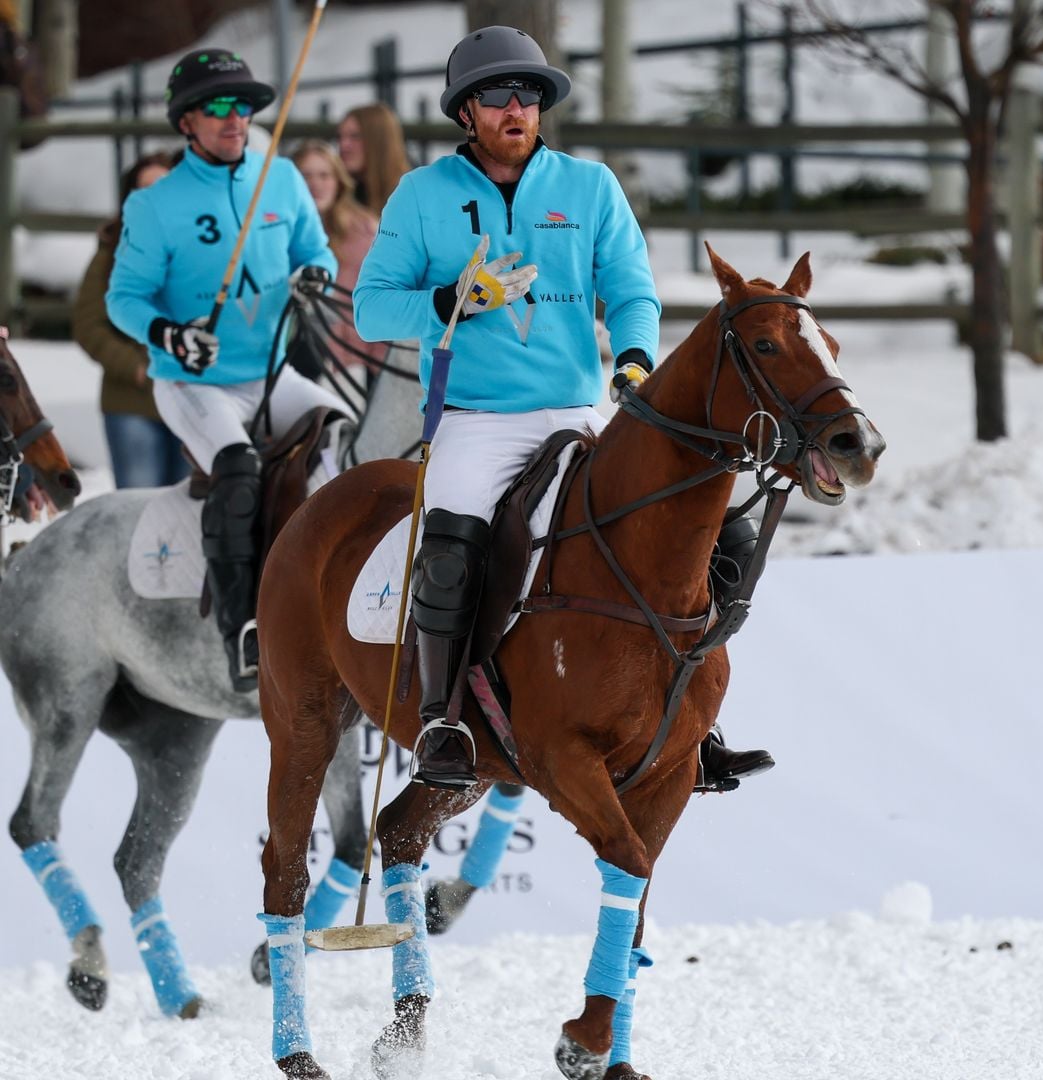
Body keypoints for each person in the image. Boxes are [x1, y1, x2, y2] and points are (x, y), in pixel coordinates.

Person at [355, 25, 773, 790]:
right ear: (465, 112)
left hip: (576, 408)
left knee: (722, 530)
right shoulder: (423, 196)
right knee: (450, 548)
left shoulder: (590, 187)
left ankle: (692, 717)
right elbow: (371, 309)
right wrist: (451, 301)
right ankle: (444, 721)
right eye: (496, 97)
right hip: (478, 418)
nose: (516, 108)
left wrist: (638, 359)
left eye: (529, 95)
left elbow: (631, 288)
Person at [106, 47, 348, 693]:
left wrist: (315, 274)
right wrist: (171, 336)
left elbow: (312, 247)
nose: (234, 118)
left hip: (270, 371)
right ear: (186, 122)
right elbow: (123, 298)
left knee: (345, 433)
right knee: (237, 465)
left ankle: (334, 594)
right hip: (192, 382)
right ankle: (243, 627)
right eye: (216, 107)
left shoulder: (282, 178)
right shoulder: (156, 206)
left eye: (242, 105)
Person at [73, 150, 189, 489]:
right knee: (137, 507)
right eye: (144, 189)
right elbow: (88, 325)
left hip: (193, 398)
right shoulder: (111, 252)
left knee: (191, 511)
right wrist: (136, 367)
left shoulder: (203, 251)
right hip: (131, 401)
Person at [290, 139, 385, 400]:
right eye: (306, 175)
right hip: (288, 353)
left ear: (338, 181)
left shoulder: (365, 231)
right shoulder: (277, 231)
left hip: (348, 360)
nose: (315, 184)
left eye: (324, 175)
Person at [336, 102, 410, 214]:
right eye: (340, 137)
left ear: (379, 142)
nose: (343, 145)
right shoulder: (336, 195)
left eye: (355, 137)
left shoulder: (411, 198)